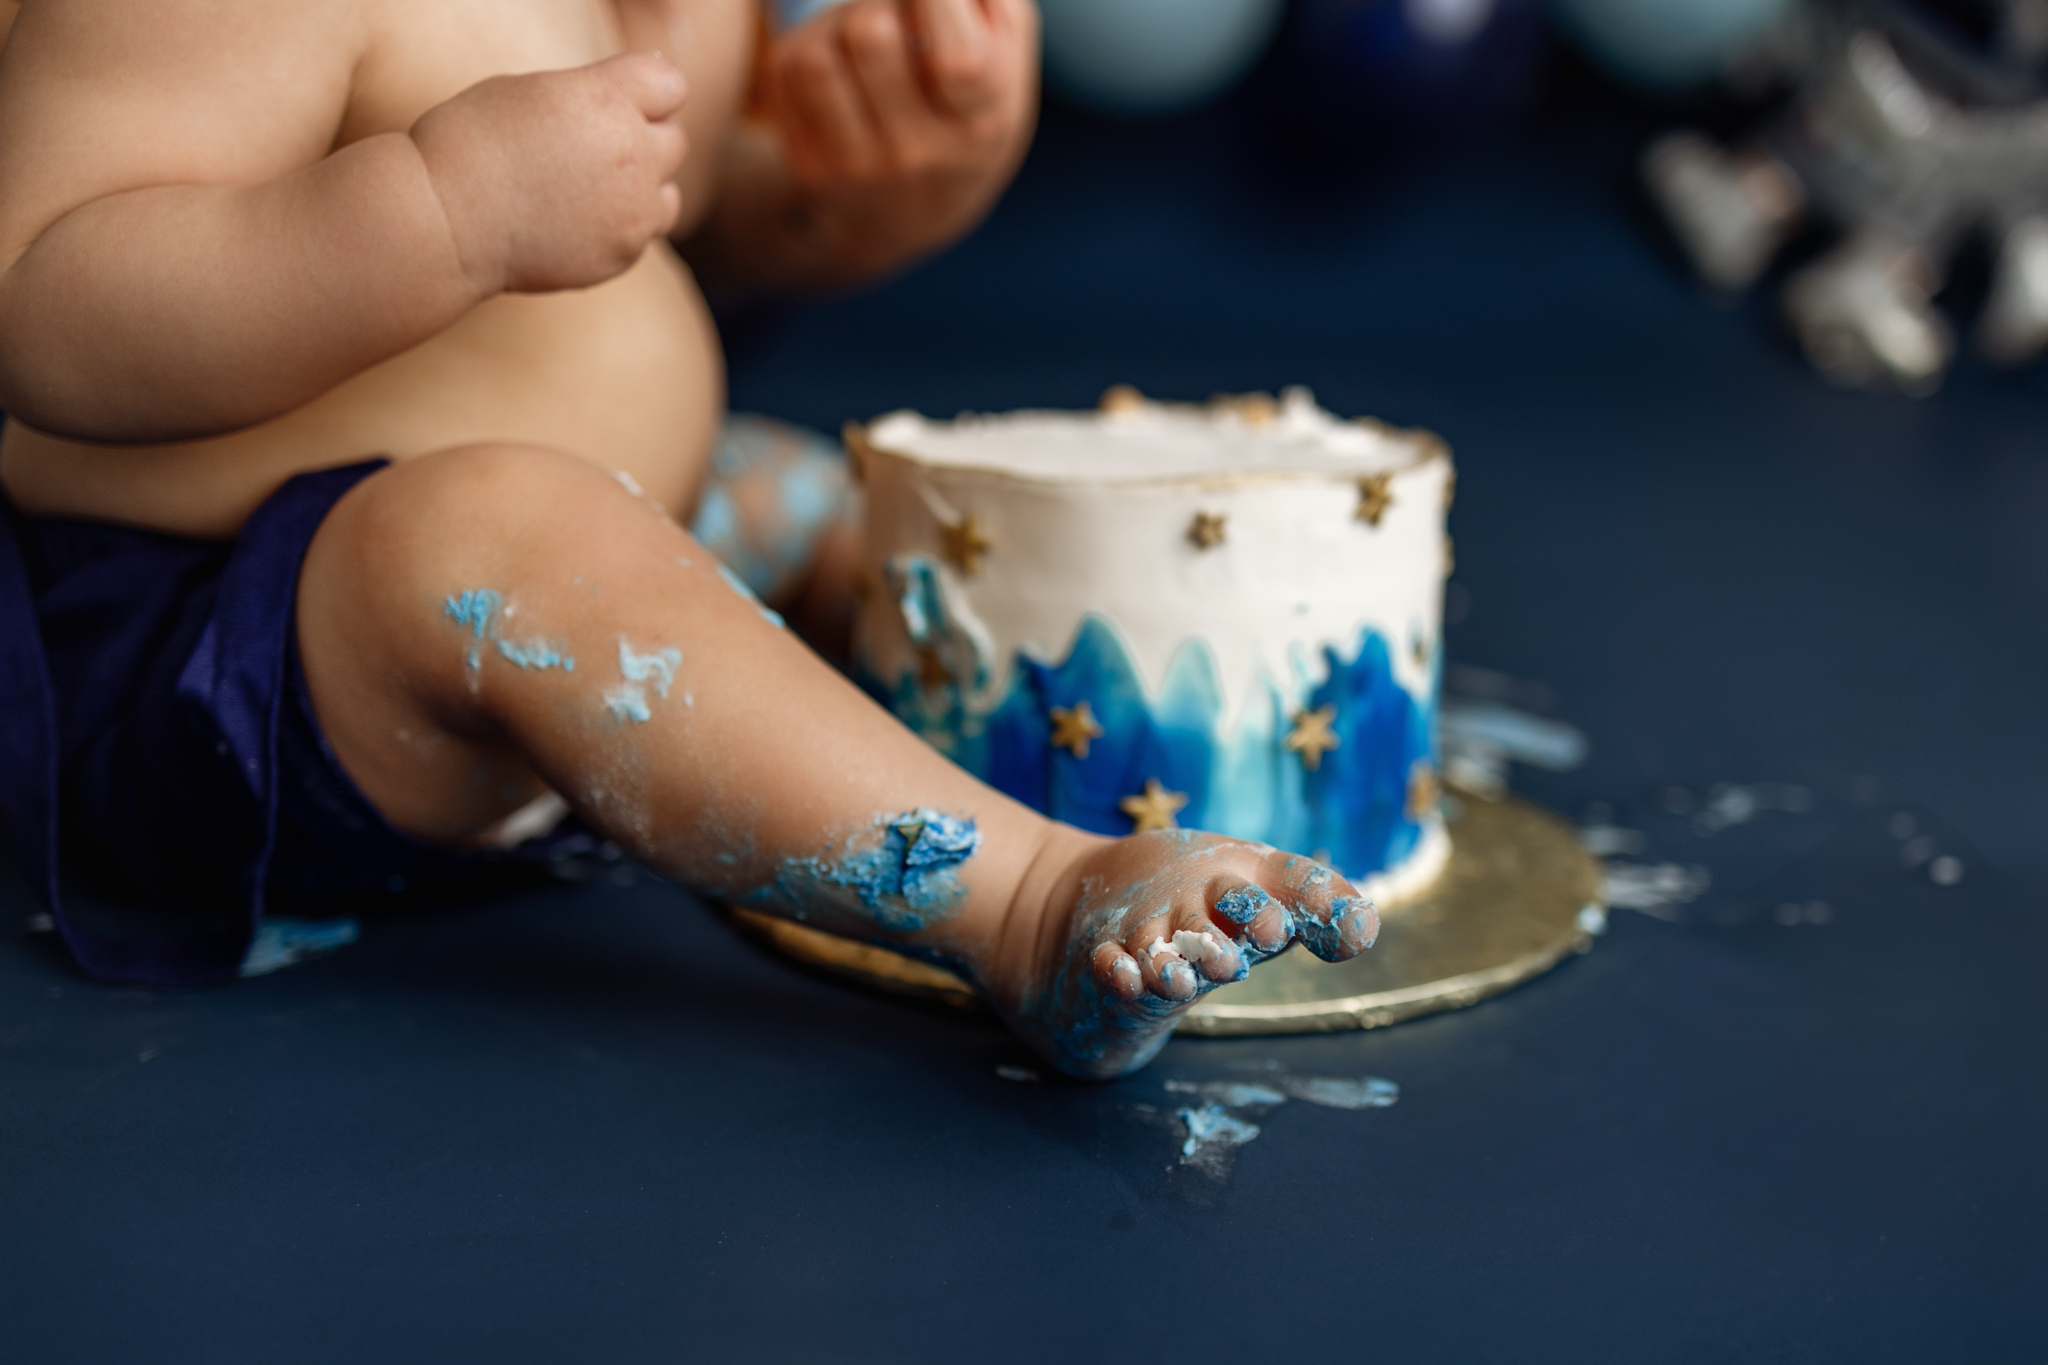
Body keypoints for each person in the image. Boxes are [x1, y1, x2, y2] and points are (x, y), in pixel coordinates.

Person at [0, 0, 1376, 1079]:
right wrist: (439, 210)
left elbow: (674, 223)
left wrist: (850, 191)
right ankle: (1023, 900)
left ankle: (1117, 736)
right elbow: (42, 304)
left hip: (586, 504)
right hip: (212, 647)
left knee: (827, 502)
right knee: (507, 536)